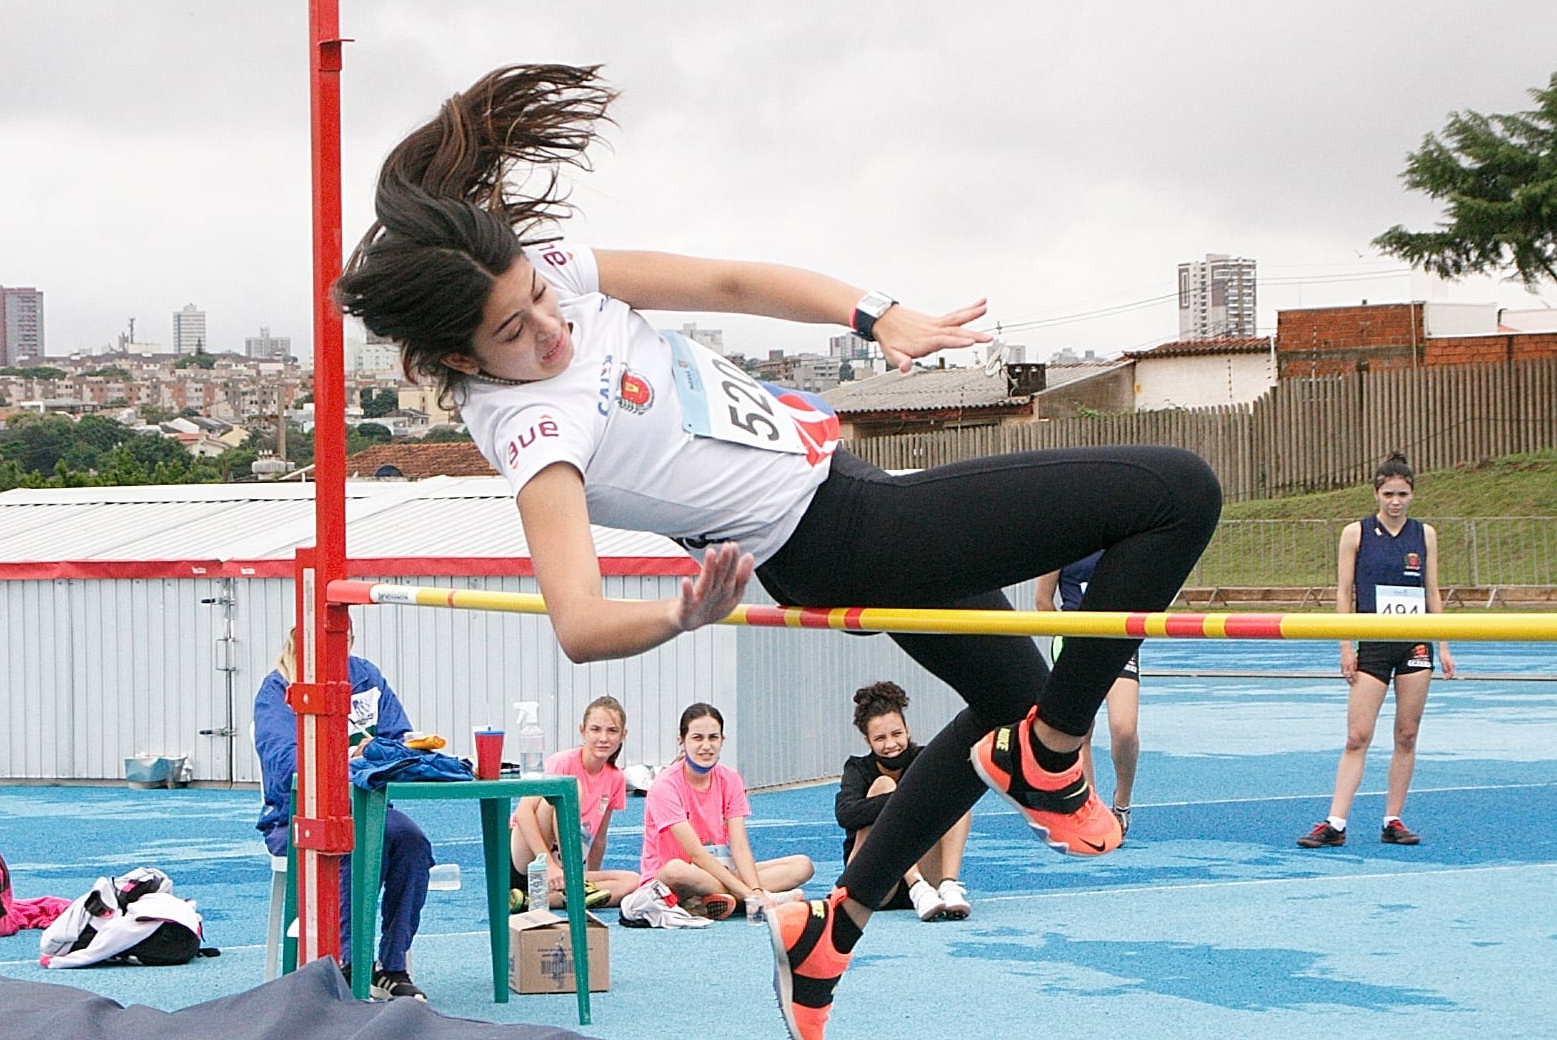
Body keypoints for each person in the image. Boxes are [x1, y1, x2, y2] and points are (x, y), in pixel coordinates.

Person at [333, 64, 1220, 1039]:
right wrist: (680, 612)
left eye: (540, 296)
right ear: (461, 358)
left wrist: (875, 314)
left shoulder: (547, 268)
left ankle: (825, 933)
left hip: (849, 496)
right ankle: (1052, 758)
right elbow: (579, 621)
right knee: (1178, 494)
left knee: (1007, 703)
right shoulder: (530, 428)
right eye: (516, 331)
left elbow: (728, 280)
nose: (551, 326)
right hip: (839, 533)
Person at [253, 626, 432, 1001]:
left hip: (369, 807)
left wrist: (376, 754)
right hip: (297, 815)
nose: (338, 645)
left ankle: (392, 965)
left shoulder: (367, 676)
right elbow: (287, 766)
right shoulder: (278, 689)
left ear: (350, 640)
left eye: (343, 637)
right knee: (347, 841)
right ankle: (350, 964)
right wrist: (358, 756)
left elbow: (400, 740)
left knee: (413, 843)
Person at [1298, 451, 1455, 849]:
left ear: (1413, 494)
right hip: (1372, 644)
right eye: (1388, 494)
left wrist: (1445, 643)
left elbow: (1432, 591)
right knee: (1357, 735)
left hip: (1415, 644)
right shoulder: (1357, 533)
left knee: (1406, 733)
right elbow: (1344, 591)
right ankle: (1335, 822)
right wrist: (1345, 643)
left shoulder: (1425, 535)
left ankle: (1393, 819)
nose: (1396, 501)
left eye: (1402, 494)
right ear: (1376, 494)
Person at [623, 703, 812, 924]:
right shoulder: (665, 786)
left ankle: (717, 899)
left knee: (802, 865)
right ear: (681, 742)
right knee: (676, 870)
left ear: (722, 740)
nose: (706, 746)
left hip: (719, 870)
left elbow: (739, 845)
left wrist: (756, 888)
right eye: (697, 738)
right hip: (675, 875)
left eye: (713, 737)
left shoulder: (730, 779)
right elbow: (695, 853)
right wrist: (750, 893)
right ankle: (744, 899)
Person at [836, 681, 971, 921]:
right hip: (874, 881)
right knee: (884, 785)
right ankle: (915, 884)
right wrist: (906, 800)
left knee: (957, 795)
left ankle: (949, 885)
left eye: (897, 734)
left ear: (907, 731)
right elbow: (846, 814)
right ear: (868, 741)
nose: (890, 745)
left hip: (930, 881)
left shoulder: (924, 759)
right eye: (880, 738)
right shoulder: (858, 768)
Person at [1037, 552, 1140, 837]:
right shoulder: (1065, 542)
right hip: (1073, 639)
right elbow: (1043, 603)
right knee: (1080, 732)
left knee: (1124, 729)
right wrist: (1065, 633)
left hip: (1117, 638)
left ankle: (1122, 804)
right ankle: (1091, 814)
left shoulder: (1124, 542)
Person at [509, 695, 640, 910]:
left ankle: (537, 899)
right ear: (583, 731)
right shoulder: (563, 763)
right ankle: (552, 885)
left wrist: (589, 879)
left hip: (567, 866)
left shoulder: (615, 778)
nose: (603, 738)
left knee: (633, 881)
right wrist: (549, 865)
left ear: (623, 735)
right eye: (596, 730)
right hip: (528, 856)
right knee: (571, 787)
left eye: (612, 731)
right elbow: (523, 813)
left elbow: (599, 838)